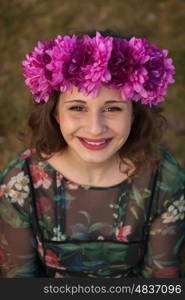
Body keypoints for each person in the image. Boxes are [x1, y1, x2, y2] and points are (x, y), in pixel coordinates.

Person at [0, 30, 185, 278]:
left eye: (113, 108)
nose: (95, 128)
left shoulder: (163, 179)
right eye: (77, 107)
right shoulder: (20, 184)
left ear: (134, 113)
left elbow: (162, 280)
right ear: (55, 114)